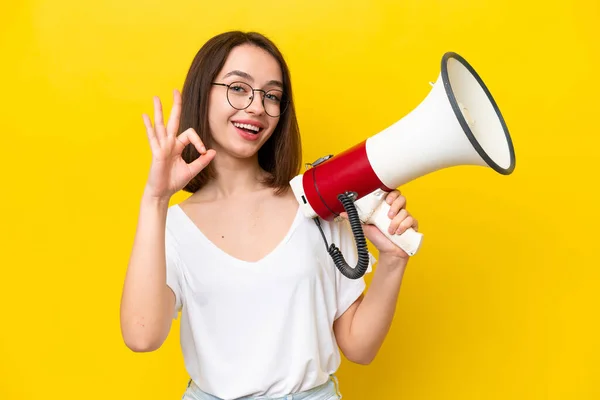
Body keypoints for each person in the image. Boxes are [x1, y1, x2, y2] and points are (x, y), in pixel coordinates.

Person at [119, 31, 419, 400]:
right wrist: (155, 199)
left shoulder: (316, 203)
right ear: (203, 93)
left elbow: (359, 348)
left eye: (272, 96)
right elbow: (142, 335)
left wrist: (392, 260)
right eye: (239, 88)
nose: (257, 107)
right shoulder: (172, 226)